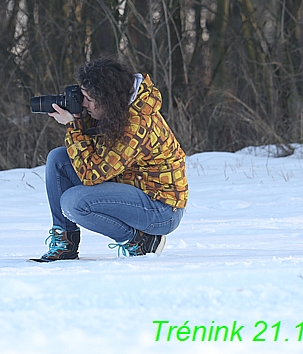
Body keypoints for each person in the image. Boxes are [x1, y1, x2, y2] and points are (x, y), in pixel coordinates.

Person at [32, 56, 188, 262]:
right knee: (59, 158)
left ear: (107, 98)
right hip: (130, 190)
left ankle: (140, 241)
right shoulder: (116, 110)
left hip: (160, 209)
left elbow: (90, 174)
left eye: (88, 99)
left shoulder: (137, 125)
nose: (83, 103)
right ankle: (65, 243)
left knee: (74, 202)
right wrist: (79, 116)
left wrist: (73, 125)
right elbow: (93, 155)